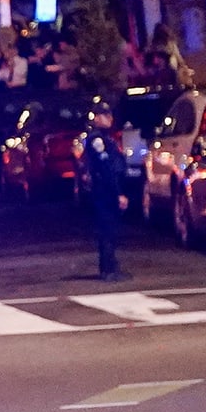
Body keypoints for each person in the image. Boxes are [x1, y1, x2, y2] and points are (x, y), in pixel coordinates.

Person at [79, 101, 130, 281]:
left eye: (109, 115)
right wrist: (118, 194)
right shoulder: (97, 139)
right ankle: (108, 269)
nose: (109, 119)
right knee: (107, 229)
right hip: (104, 191)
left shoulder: (107, 138)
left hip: (107, 190)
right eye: (104, 115)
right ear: (97, 118)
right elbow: (107, 168)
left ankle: (110, 266)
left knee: (111, 229)